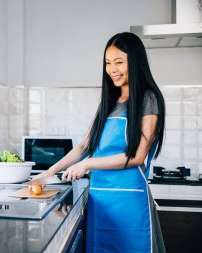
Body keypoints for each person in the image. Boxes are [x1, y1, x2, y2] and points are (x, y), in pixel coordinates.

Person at [33, 32, 166, 253]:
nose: (112, 69)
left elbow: (137, 156)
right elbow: (84, 146)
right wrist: (50, 171)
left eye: (119, 62)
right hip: (100, 201)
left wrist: (87, 164)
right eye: (108, 63)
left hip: (130, 205)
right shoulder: (109, 102)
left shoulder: (148, 99)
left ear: (135, 61)